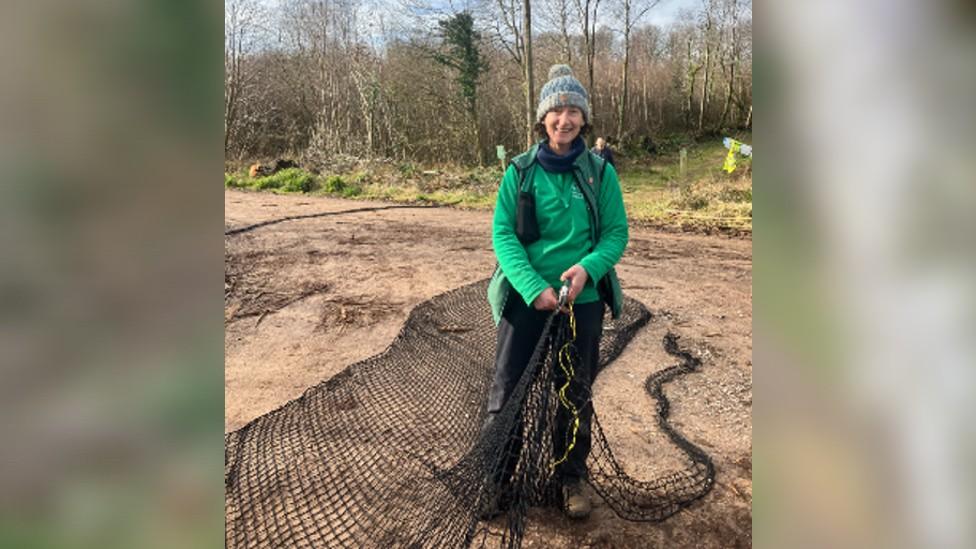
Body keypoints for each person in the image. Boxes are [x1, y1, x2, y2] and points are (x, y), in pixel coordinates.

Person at [484, 64, 629, 520]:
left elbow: (616, 235)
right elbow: (503, 235)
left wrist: (587, 270)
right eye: (556, 111)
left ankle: (569, 479)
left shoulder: (601, 174)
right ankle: (496, 479)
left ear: (584, 119)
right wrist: (532, 287)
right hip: (527, 301)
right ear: (542, 119)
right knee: (507, 392)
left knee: (574, 392)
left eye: (573, 111)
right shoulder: (520, 172)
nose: (564, 119)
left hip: (580, 304)